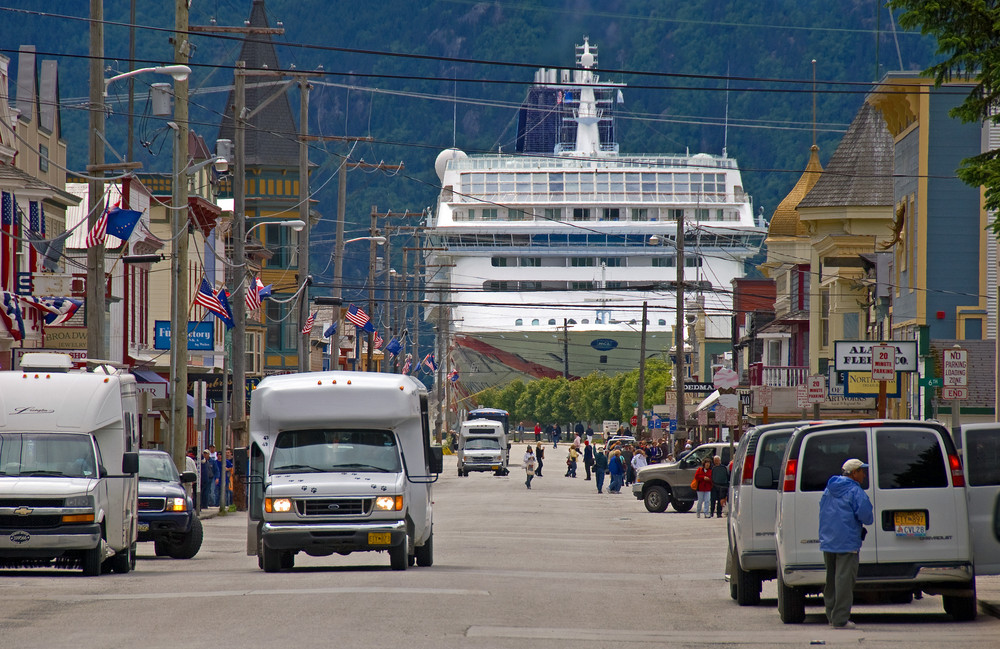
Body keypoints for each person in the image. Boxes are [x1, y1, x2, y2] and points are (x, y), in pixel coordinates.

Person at [819, 458, 874, 629]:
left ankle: (831, 614)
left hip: (828, 541)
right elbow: (867, 517)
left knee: (831, 580)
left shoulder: (829, 489)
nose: (864, 474)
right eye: (861, 471)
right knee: (844, 581)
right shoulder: (855, 492)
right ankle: (840, 619)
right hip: (847, 542)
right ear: (853, 473)